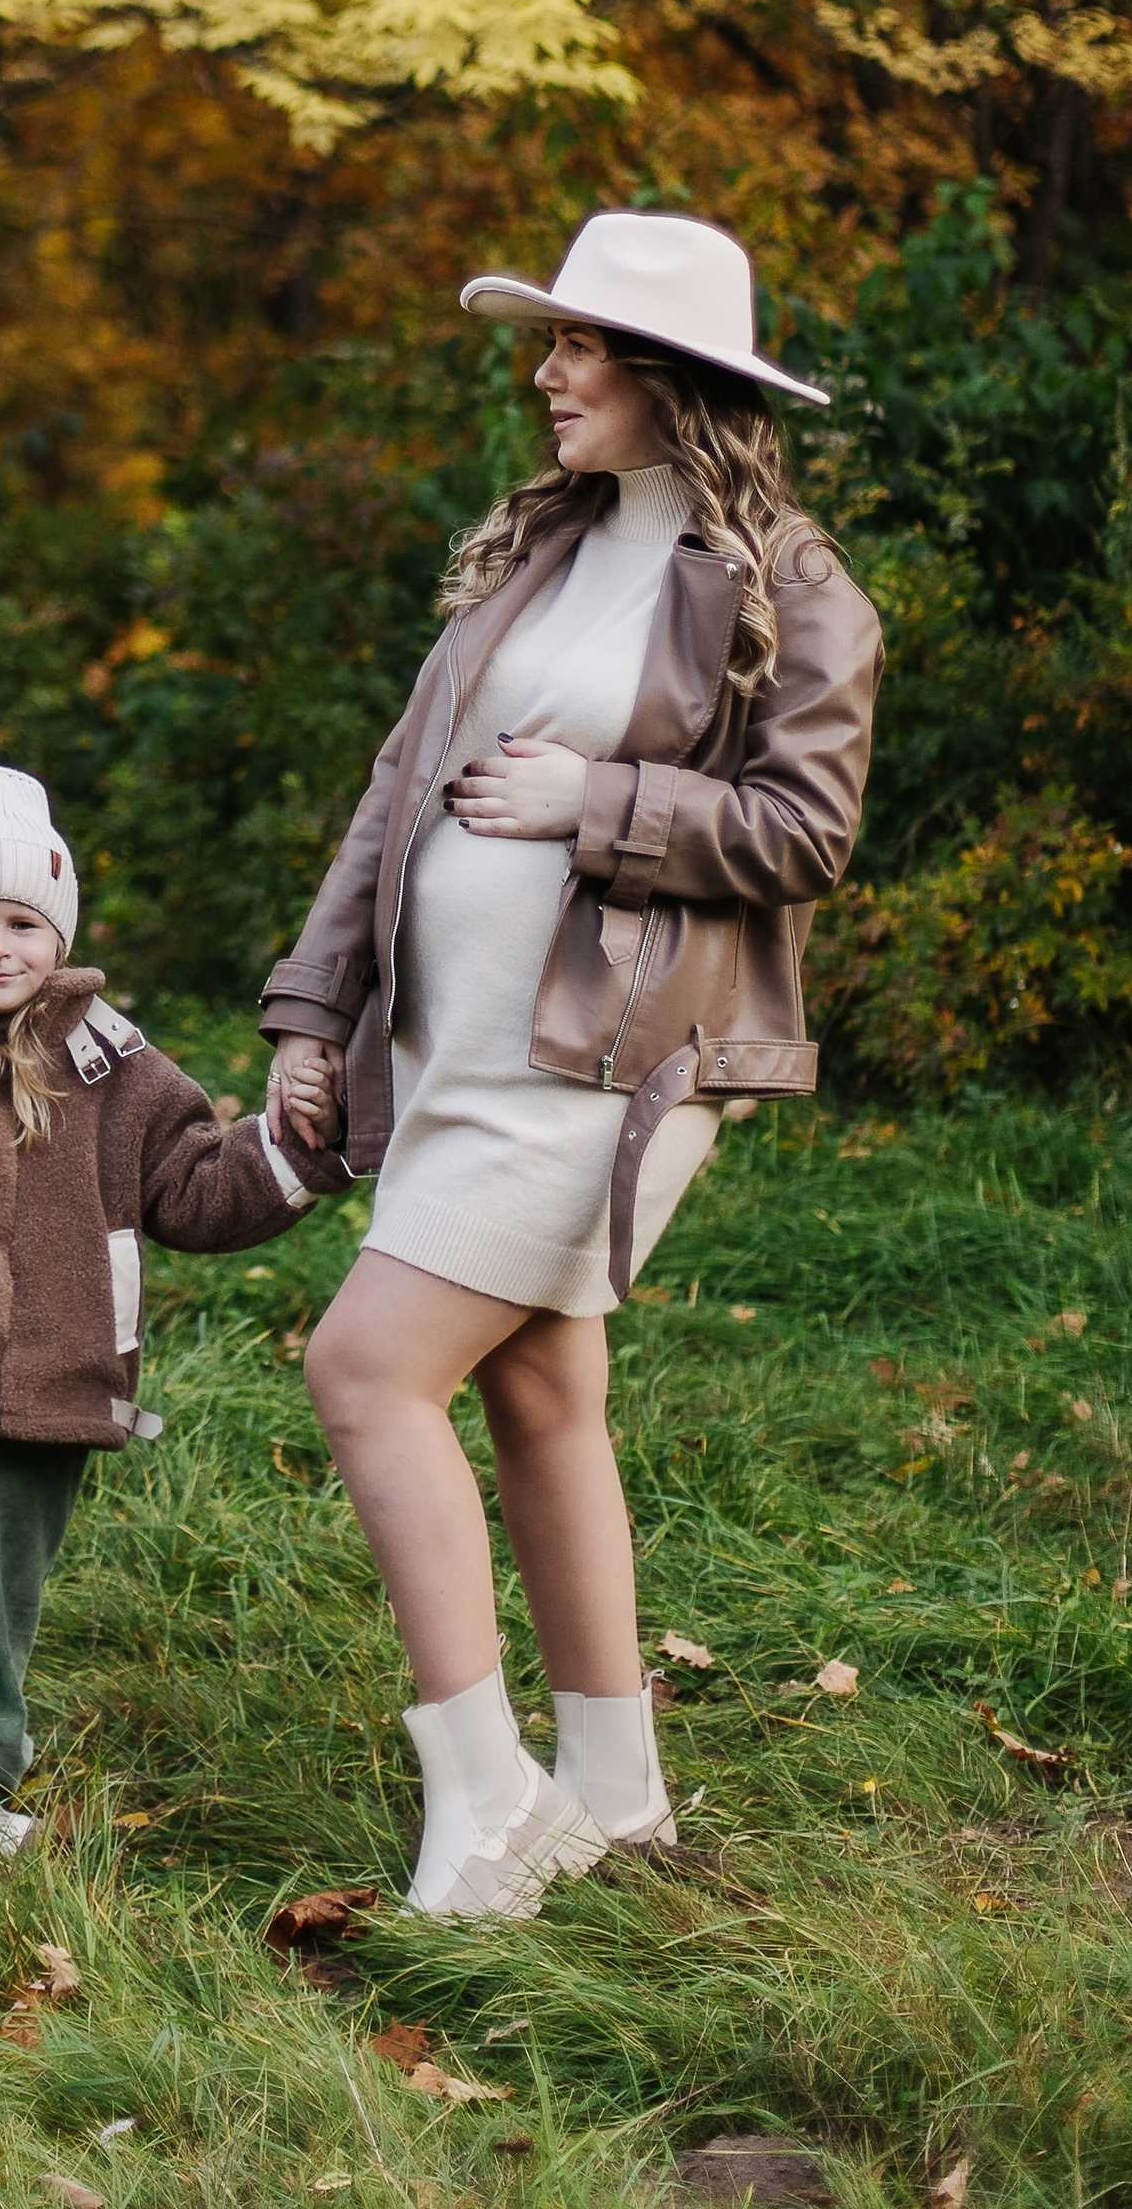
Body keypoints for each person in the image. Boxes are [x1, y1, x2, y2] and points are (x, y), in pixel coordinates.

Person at [262, 213, 881, 1920]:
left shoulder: (798, 595)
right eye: (550, 345)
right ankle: (615, 1789)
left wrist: (589, 806)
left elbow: (805, 834)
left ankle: (484, 1804)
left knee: (367, 1370)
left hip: (604, 1070)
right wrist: (314, 1011)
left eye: (580, 348)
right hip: (454, 1044)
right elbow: (403, 787)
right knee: (542, 1394)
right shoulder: (547, 548)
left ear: (671, 379)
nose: (546, 375)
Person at [0, 763, 343, 1851]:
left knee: (1, 1598)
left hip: (54, 1381)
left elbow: (193, 1189)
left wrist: (290, 1143)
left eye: (23, 924)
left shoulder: (116, 1068)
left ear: (59, 933)